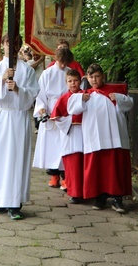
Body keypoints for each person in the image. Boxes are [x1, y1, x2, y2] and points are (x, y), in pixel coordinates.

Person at [0, 33, 39, 220]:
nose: (10, 47)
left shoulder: (27, 70)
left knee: (16, 159)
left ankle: (15, 203)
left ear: (19, 46)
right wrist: (1, 79)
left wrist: (17, 89)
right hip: (0, 116)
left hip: (17, 117)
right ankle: (0, 199)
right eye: (7, 43)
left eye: (14, 44)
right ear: (3, 45)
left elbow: (31, 95)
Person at [67, 63, 133, 213]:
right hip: (95, 137)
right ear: (87, 78)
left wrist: (118, 98)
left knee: (114, 168)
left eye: (97, 76)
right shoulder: (86, 94)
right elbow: (71, 108)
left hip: (114, 137)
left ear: (103, 76)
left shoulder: (115, 91)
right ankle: (100, 197)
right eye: (91, 77)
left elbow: (129, 104)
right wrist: (81, 99)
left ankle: (117, 199)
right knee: (98, 168)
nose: (95, 80)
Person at [32, 47, 73, 189]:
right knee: (50, 146)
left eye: (65, 62)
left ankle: (65, 176)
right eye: (61, 62)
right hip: (50, 109)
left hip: (64, 111)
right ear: (56, 59)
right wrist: (42, 110)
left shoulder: (69, 73)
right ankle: (53, 175)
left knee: (64, 145)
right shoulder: (47, 73)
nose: (63, 65)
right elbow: (41, 93)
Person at [50, 68, 87, 204]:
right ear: (66, 83)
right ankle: (74, 193)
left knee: (84, 163)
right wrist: (71, 120)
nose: (73, 84)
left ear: (80, 82)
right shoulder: (63, 98)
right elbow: (57, 118)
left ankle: (86, 191)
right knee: (72, 165)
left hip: (84, 134)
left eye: (76, 81)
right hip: (70, 134)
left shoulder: (87, 96)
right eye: (70, 81)